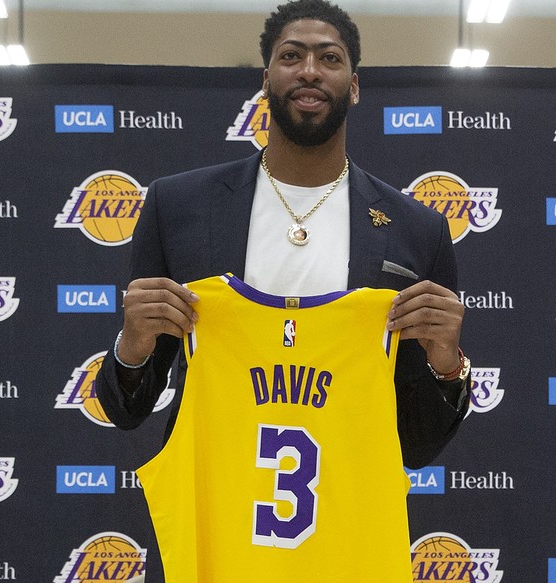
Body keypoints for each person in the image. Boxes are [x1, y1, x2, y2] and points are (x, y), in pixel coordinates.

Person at [95, 0, 471, 579]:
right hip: (219, 537)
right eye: (290, 56)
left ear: (355, 86)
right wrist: (133, 347)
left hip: (346, 539)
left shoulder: (416, 228)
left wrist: (448, 368)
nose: (310, 71)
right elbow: (127, 410)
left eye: (330, 58)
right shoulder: (178, 207)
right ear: (265, 79)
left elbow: (414, 447)